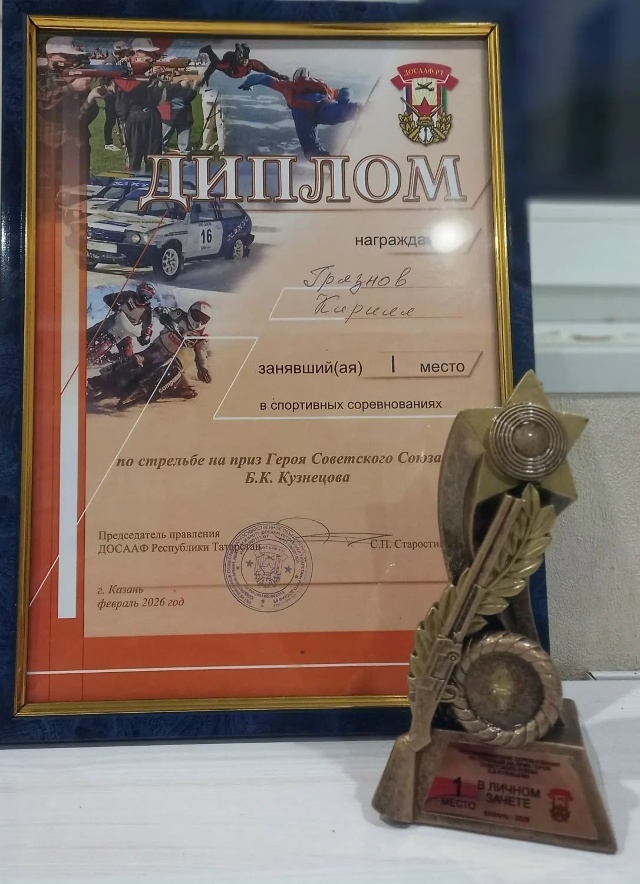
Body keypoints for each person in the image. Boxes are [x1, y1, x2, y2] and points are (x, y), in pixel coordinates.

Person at [239, 67, 360, 159]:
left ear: (295, 77)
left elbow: (260, 78)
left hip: (302, 111)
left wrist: (247, 84)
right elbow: (345, 92)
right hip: (322, 105)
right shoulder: (322, 85)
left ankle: (324, 160)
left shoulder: (289, 85)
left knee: (311, 148)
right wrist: (346, 100)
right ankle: (355, 109)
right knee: (340, 112)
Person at [114, 37, 164, 172]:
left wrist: (161, 83)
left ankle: (154, 182)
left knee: (154, 156)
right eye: (147, 53)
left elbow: (158, 98)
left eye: (152, 53)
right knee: (134, 157)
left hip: (152, 114)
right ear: (137, 52)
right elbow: (127, 87)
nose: (151, 56)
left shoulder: (152, 65)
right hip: (133, 115)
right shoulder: (123, 65)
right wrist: (147, 75)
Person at [86, 282, 156, 361]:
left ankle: (109, 360)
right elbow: (109, 297)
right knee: (90, 333)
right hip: (114, 320)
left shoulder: (148, 310)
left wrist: (146, 337)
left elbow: (148, 326)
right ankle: (80, 347)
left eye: (148, 295)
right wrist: (114, 306)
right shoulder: (129, 295)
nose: (144, 296)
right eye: (143, 292)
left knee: (127, 355)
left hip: (125, 331)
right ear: (138, 290)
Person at [199, 42, 287, 81]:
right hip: (229, 61)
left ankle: (209, 49)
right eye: (243, 60)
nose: (245, 62)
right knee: (218, 63)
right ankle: (208, 50)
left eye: (246, 60)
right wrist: (207, 76)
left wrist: (278, 75)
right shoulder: (228, 64)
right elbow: (214, 64)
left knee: (220, 63)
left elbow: (266, 70)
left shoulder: (251, 64)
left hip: (233, 67)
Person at [101, 40, 132, 152]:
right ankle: (108, 143)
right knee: (111, 119)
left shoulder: (115, 60)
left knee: (120, 117)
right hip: (110, 93)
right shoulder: (110, 61)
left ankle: (123, 141)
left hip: (116, 93)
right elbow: (106, 77)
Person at [160, 78, 198, 154]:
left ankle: (185, 156)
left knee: (184, 144)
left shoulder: (185, 89)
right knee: (162, 141)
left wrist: (194, 87)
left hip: (184, 116)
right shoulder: (168, 86)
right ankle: (160, 155)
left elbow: (189, 98)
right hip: (169, 116)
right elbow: (167, 90)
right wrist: (179, 84)